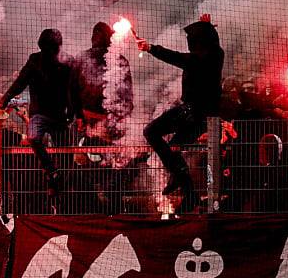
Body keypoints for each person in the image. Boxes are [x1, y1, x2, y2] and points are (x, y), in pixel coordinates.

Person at [138, 15, 224, 210]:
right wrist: (208, 27)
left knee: (151, 132)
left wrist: (151, 48)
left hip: (191, 112)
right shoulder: (217, 54)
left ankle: (180, 176)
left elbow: (175, 57)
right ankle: (188, 192)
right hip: (205, 117)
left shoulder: (198, 59)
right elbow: (212, 42)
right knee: (174, 149)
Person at [0, 29, 76, 196]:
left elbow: (72, 89)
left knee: (66, 154)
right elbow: (20, 82)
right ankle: (51, 171)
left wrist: (73, 111)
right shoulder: (35, 60)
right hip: (39, 113)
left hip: (59, 115)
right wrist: (5, 99)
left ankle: (58, 185)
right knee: (33, 137)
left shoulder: (67, 62)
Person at [70, 22, 133, 135]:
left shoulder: (81, 58)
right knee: (113, 151)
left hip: (86, 118)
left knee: (80, 150)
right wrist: (125, 116)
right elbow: (127, 93)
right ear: (110, 38)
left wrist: (77, 115)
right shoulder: (120, 60)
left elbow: (72, 90)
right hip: (112, 120)